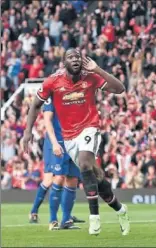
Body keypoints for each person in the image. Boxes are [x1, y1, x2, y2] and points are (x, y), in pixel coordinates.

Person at [23, 48, 130, 236]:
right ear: (64, 62)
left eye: (78, 57)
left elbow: (120, 89)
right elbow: (35, 105)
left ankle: (94, 218)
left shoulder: (91, 77)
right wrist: (27, 131)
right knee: (96, 176)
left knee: (85, 163)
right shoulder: (53, 81)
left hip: (90, 127)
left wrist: (98, 69)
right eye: (70, 57)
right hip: (68, 137)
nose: (75, 60)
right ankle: (121, 210)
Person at [29, 99, 85, 230]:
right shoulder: (53, 93)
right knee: (54, 178)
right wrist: (54, 143)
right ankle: (48, 217)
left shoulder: (78, 93)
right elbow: (47, 119)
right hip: (56, 143)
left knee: (72, 179)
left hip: (74, 142)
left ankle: (66, 219)